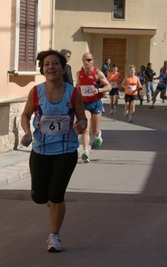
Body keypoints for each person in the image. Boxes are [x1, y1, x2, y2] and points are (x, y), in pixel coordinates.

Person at [20, 50, 87, 253]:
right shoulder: (36, 92)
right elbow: (25, 114)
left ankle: (54, 236)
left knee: (56, 194)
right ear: (42, 69)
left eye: (55, 64)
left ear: (62, 68)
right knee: (40, 197)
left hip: (66, 151)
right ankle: (50, 202)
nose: (51, 67)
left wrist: (81, 125)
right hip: (40, 150)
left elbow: (83, 117)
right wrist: (26, 132)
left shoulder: (72, 93)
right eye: (47, 64)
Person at [76, 52, 111, 163]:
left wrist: (99, 90)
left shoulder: (97, 73)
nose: (86, 62)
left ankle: (98, 134)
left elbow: (109, 86)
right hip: (84, 104)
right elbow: (77, 86)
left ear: (93, 60)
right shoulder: (79, 73)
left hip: (96, 103)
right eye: (84, 60)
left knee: (94, 129)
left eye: (88, 60)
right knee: (85, 128)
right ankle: (85, 151)